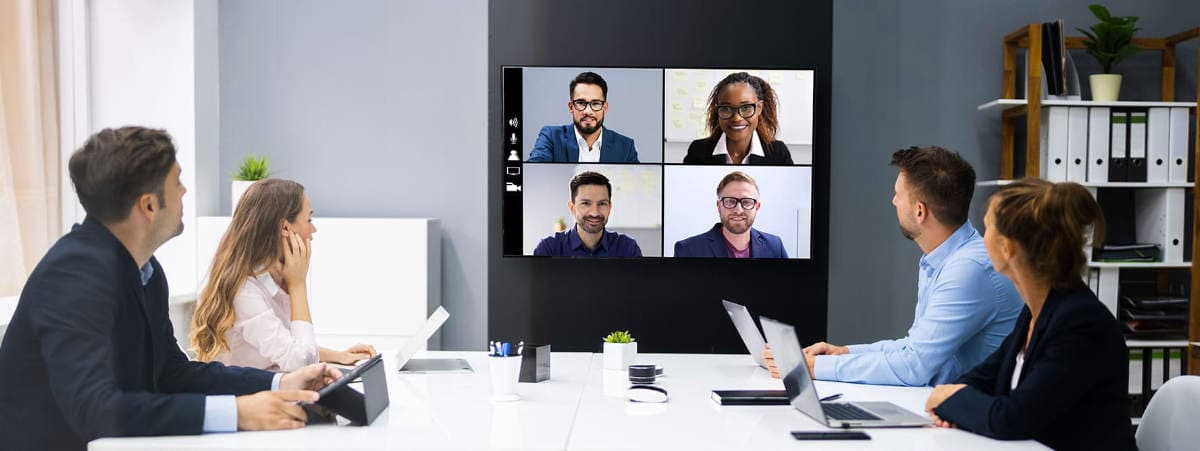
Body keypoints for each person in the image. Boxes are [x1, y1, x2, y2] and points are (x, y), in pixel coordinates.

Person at [0, 127, 341, 450]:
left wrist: (280, 384)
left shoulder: (145, 270)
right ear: (148, 206)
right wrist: (238, 413)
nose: (185, 192)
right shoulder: (74, 274)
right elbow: (95, 409)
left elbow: (171, 373)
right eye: (177, 182)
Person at [767, 146, 1022, 386]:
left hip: (966, 421)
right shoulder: (944, 258)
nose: (893, 201)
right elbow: (913, 347)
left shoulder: (968, 269)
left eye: (898, 195)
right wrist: (841, 353)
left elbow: (914, 366)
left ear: (920, 211)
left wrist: (810, 368)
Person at [925, 178, 1135, 450]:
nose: (981, 236)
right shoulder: (1036, 310)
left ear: (1007, 248)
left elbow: (1013, 418)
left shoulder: (1081, 323)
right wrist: (952, 401)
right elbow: (983, 378)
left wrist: (950, 401)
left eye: (987, 227)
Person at [191, 179, 377, 372]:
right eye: (309, 220)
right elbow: (302, 363)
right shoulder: (244, 292)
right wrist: (298, 285)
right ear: (286, 228)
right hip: (246, 398)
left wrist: (340, 356)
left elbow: (289, 345)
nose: (313, 230)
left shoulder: (270, 279)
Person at [683, 72, 793, 165]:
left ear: (759, 108)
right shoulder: (698, 151)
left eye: (746, 108)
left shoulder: (778, 153)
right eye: (726, 108)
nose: (736, 118)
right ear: (718, 110)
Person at [528, 71, 639, 163]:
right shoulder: (551, 137)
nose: (588, 111)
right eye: (581, 103)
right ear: (571, 107)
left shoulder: (625, 147)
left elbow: (637, 186)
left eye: (595, 103)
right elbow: (534, 172)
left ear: (605, 108)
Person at [674, 171, 787, 258]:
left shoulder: (775, 246)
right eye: (730, 201)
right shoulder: (688, 250)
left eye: (746, 202)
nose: (738, 210)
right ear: (719, 205)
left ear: (757, 207)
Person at [533, 171, 642, 257]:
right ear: (572, 207)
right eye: (586, 203)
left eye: (602, 203)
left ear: (609, 207)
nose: (595, 213)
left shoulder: (628, 248)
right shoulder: (549, 249)